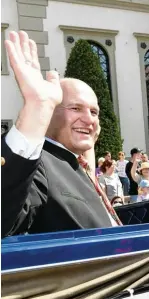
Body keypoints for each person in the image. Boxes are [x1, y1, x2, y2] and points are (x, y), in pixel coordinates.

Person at [1, 31, 122, 237]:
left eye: (94, 112)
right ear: (50, 114)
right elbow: (5, 222)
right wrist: (36, 109)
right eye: (76, 108)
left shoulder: (74, 163)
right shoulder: (38, 166)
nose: (89, 119)